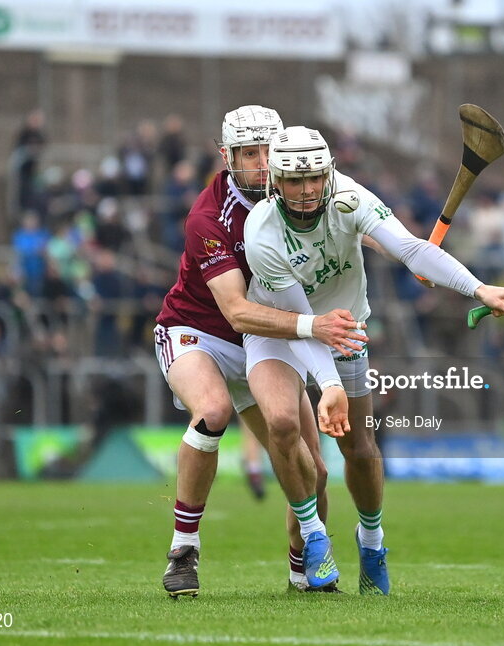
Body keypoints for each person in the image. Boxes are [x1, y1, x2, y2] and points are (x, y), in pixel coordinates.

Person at [243, 125, 504, 594]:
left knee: (361, 449)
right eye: (294, 180)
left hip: (348, 329)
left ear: (329, 174)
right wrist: (327, 384)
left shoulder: (349, 198)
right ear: (276, 183)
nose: (307, 190)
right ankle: (313, 537)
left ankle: (371, 542)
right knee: (284, 425)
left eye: (315, 178)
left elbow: (412, 248)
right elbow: (303, 321)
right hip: (283, 330)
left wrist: (478, 288)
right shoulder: (262, 233)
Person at [153, 106, 365, 598]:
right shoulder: (209, 218)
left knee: (314, 469)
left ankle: (303, 574)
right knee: (212, 410)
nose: (263, 162)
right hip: (198, 331)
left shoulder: (303, 192)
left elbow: (354, 226)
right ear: (227, 156)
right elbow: (236, 311)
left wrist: (405, 254)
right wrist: (315, 326)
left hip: (266, 340)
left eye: (269, 151)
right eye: (250, 153)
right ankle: (184, 550)